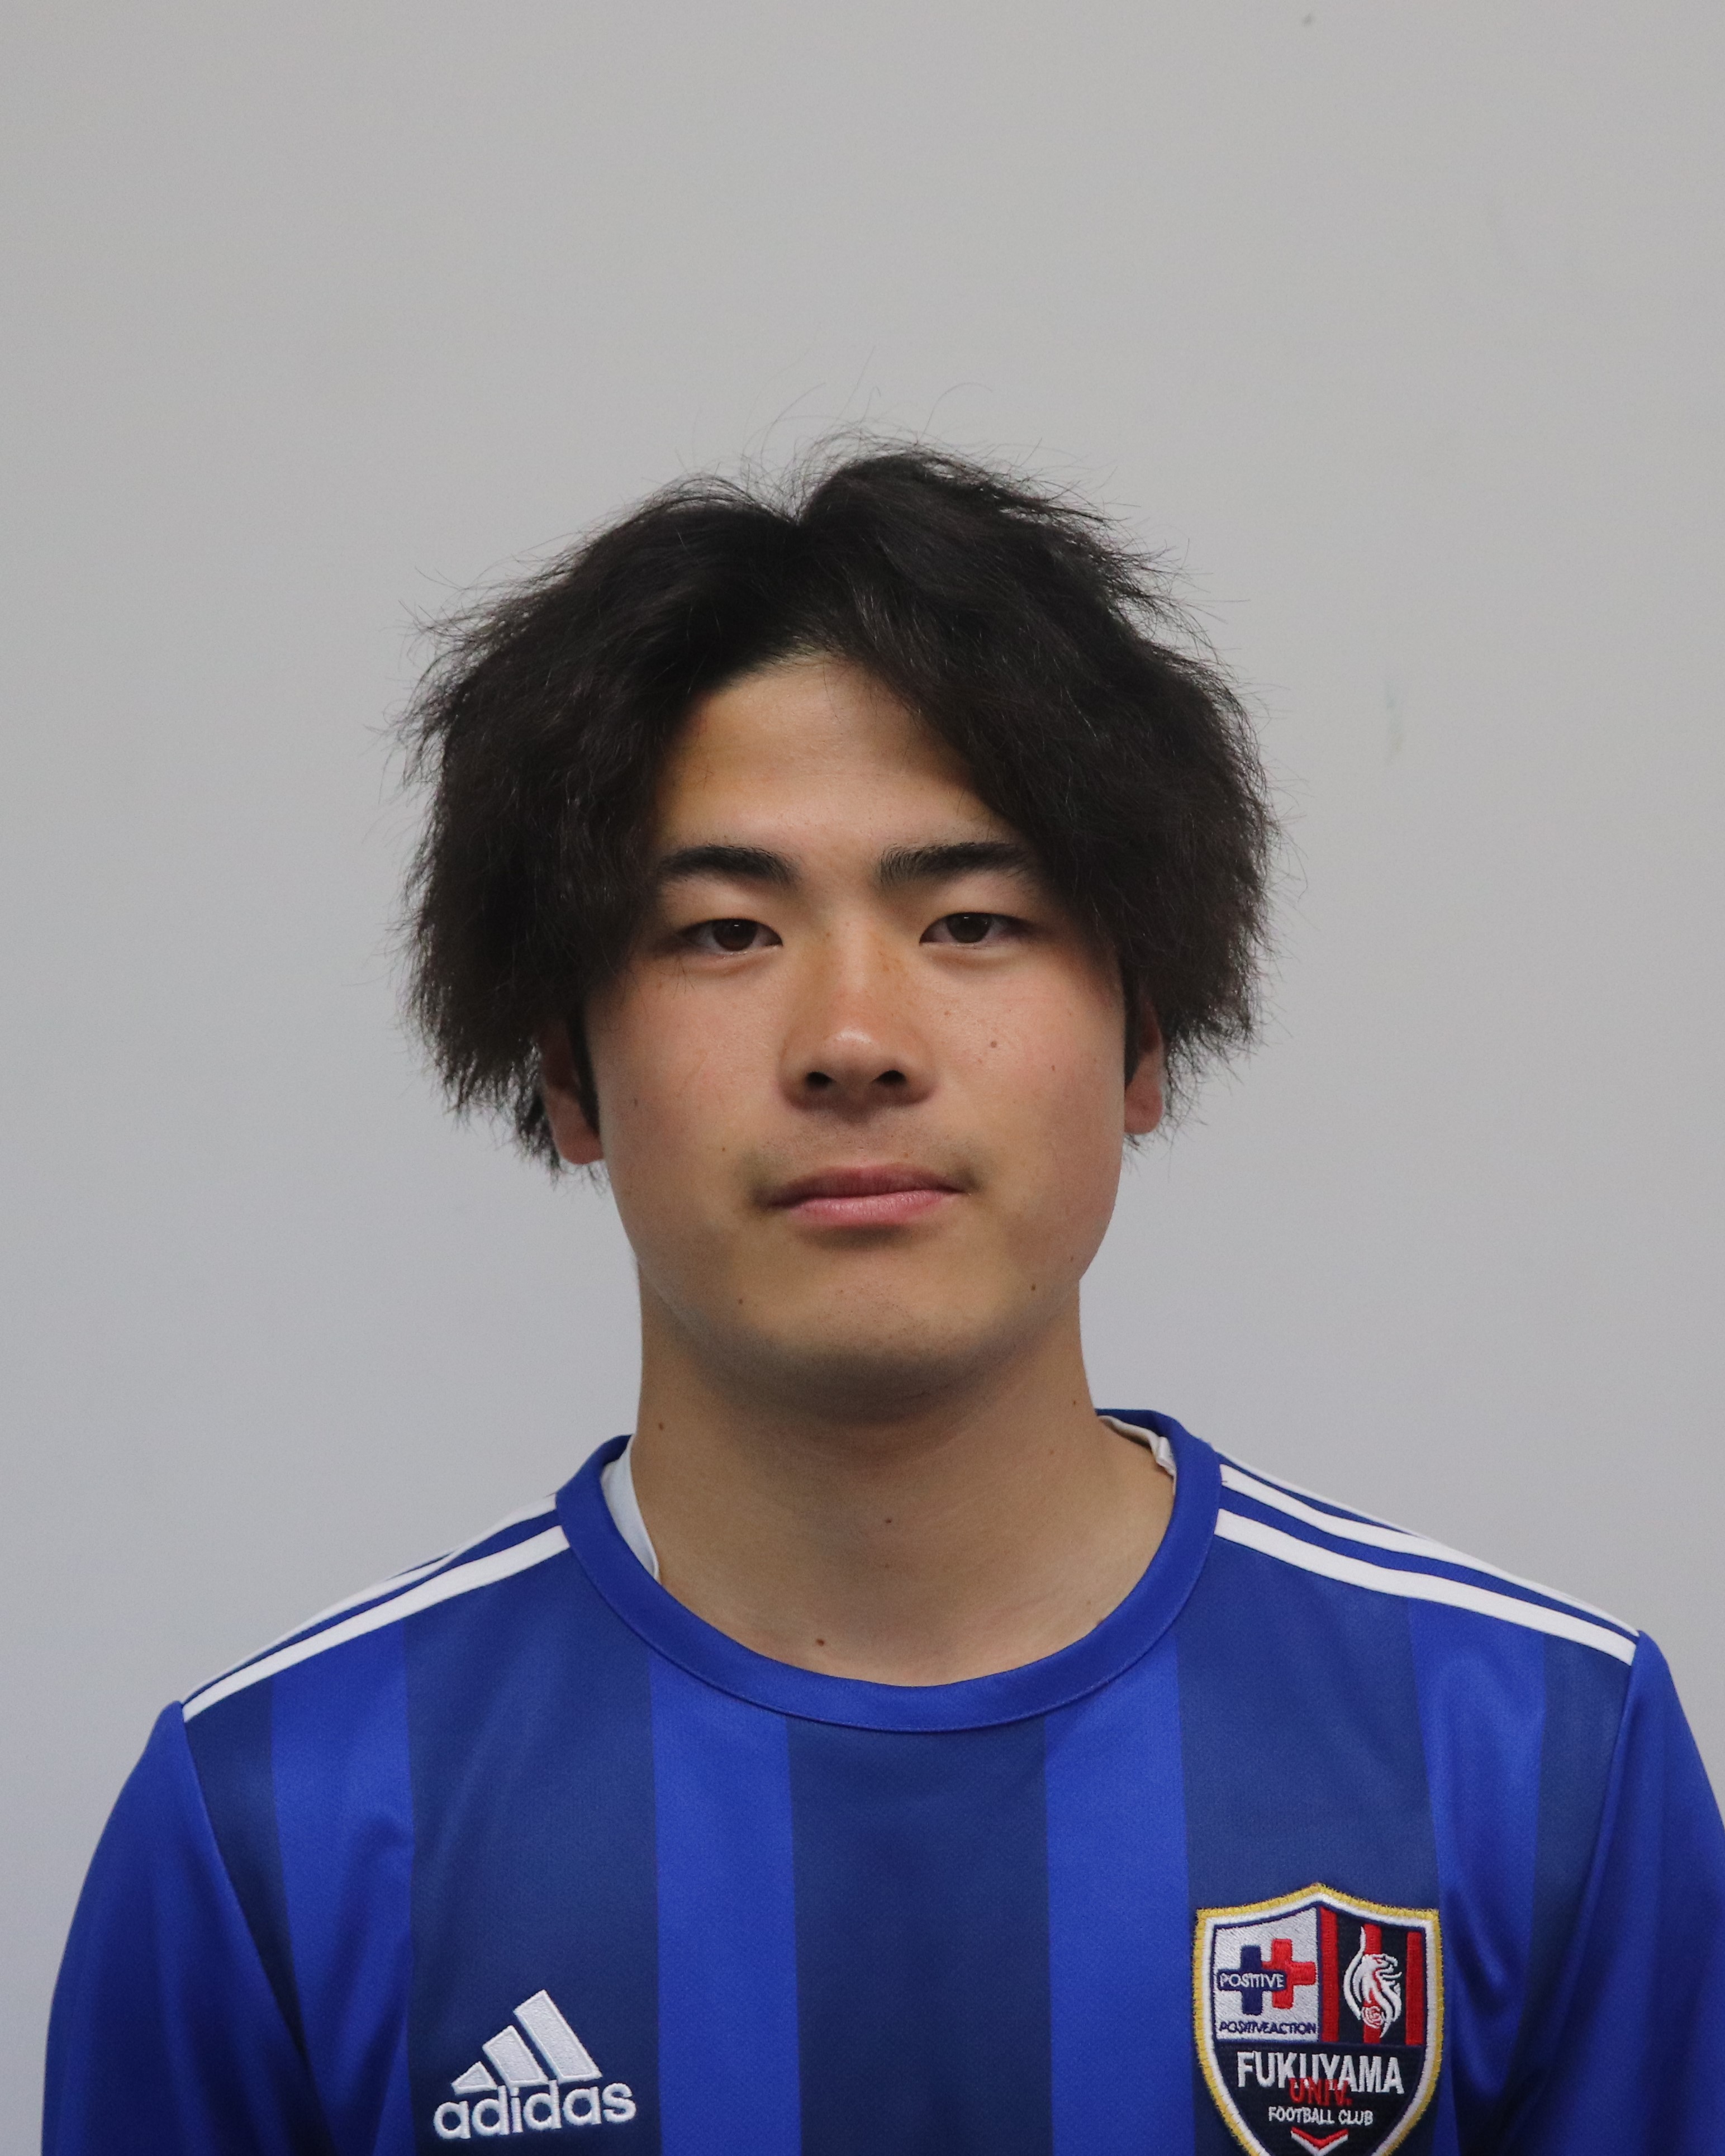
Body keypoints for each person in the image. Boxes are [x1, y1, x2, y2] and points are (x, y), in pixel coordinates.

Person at [45, 445, 1725, 2156]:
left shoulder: (1538, 1763)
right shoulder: (278, 1830)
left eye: (973, 919)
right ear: (564, 1068)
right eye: (724, 932)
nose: (855, 1038)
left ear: (1144, 1039)